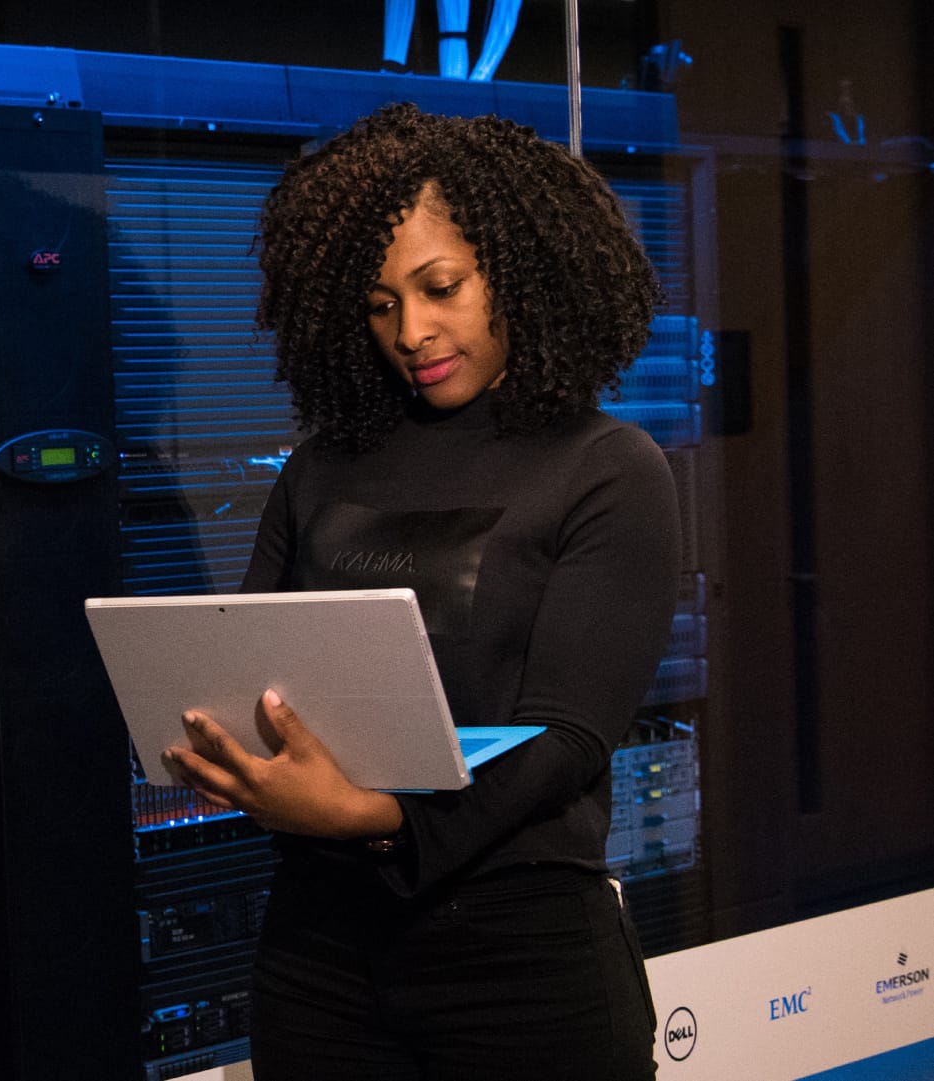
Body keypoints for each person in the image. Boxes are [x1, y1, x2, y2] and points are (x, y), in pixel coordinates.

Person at [162, 102, 679, 1080]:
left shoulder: (606, 467)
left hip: (521, 957)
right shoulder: (320, 468)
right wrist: (222, 747)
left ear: (520, 272)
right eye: (377, 302)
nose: (411, 329)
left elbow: (566, 738)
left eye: (441, 287)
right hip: (318, 951)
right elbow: (240, 667)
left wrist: (376, 816)